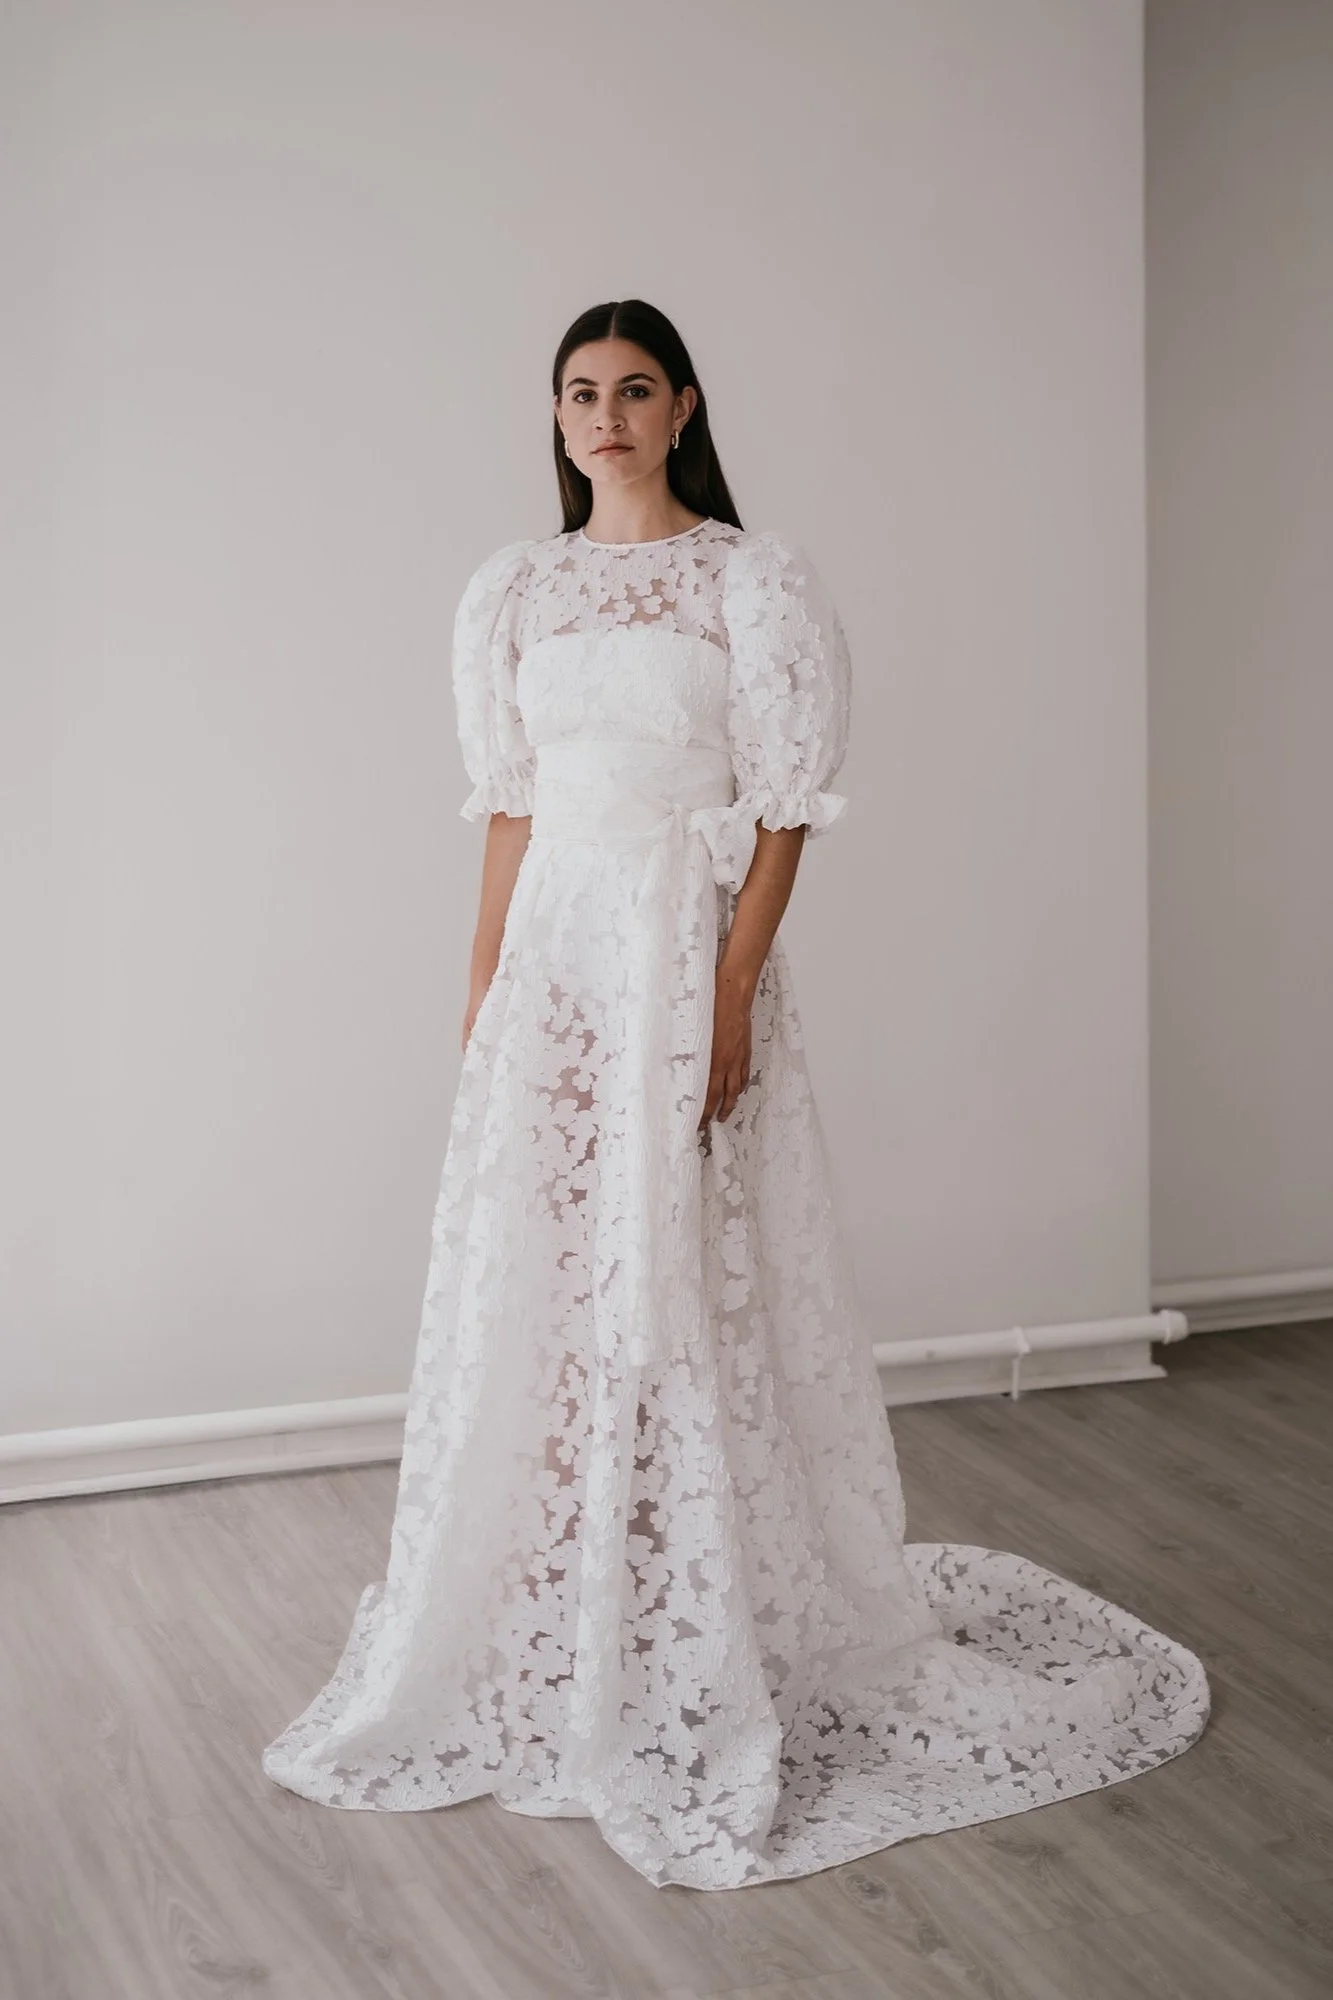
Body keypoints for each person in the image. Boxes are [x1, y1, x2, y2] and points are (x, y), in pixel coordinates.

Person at [261, 298, 1210, 1891]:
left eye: (635, 389)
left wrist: (729, 989)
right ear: (555, 416)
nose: (606, 416)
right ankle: (561, 1596)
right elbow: (509, 810)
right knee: (550, 1277)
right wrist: (483, 992)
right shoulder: (514, 590)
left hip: (676, 950)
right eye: (580, 392)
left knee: (682, 1274)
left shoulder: (748, 582)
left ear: (684, 408)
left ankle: (685, 1604)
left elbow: (782, 812)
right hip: (556, 970)